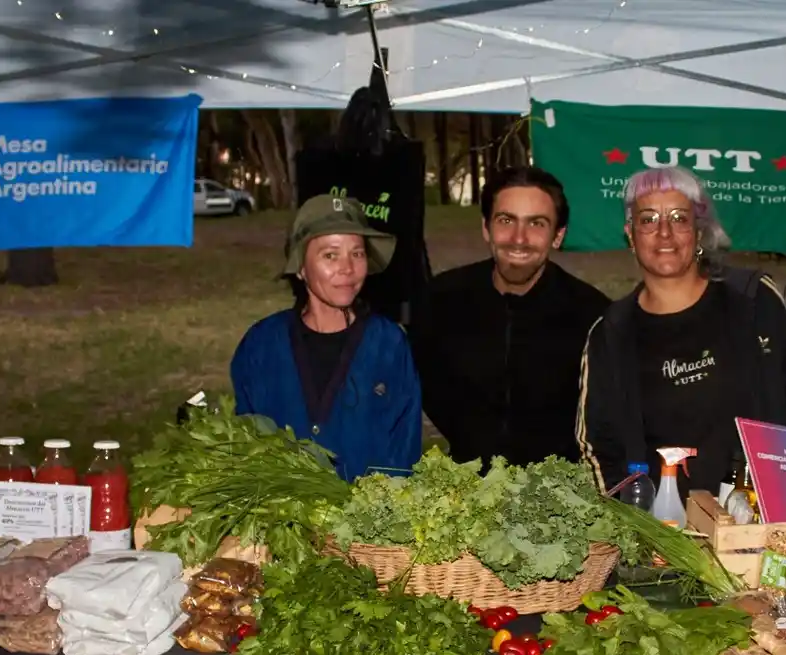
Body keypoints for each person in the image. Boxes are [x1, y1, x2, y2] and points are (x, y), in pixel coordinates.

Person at [576, 166, 786, 494]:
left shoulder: (753, 300)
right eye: (648, 219)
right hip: (663, 532)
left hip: (761, 524)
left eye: (679, 218)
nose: (664, 232)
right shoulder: (610, 332)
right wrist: (632, 523)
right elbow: (597, 446)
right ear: (630, 234)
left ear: (698, 231)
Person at [410, 167, 610, 467]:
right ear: (486, 228)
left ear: (558, 236)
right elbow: (428, 386)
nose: (519, 239)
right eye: (506, 220)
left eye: (536, 224)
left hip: (560, 491)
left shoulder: (593, 315)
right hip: (465, 484)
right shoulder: (441, 300)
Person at [230, 195, 422, 481]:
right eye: (330, 255)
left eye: (357, 253)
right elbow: (244, 448)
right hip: (281, 521)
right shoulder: (261, 347)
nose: (347, 268)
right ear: (301, 267)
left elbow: (404, 454)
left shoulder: (389, 346)